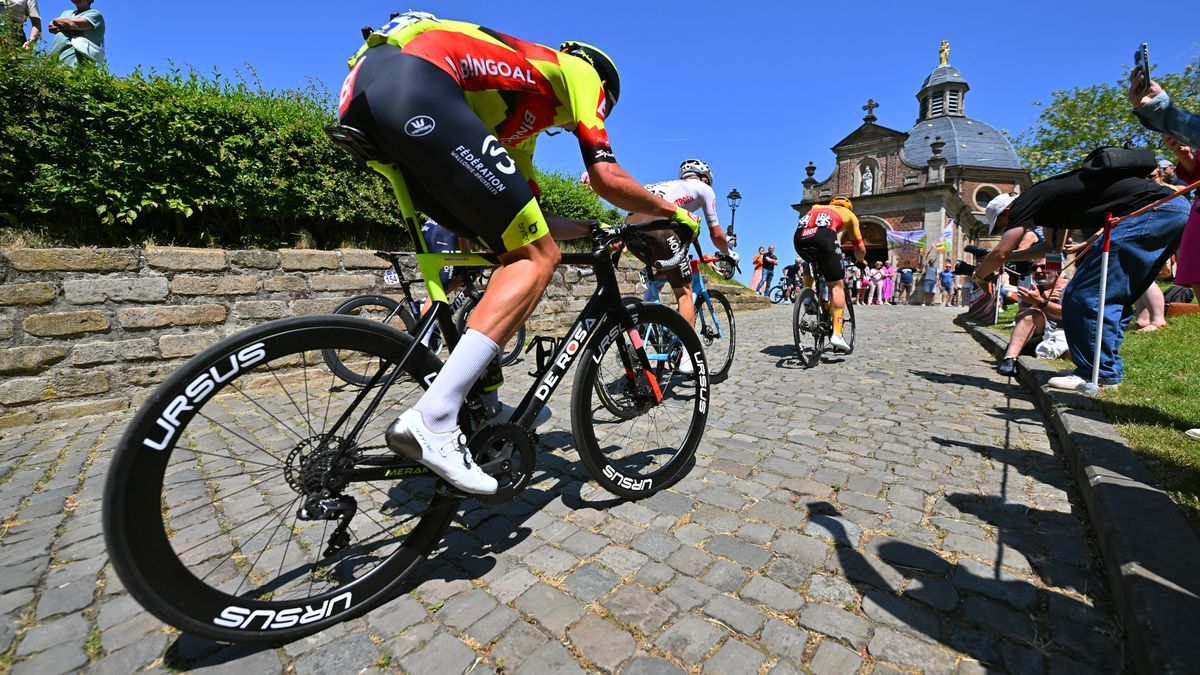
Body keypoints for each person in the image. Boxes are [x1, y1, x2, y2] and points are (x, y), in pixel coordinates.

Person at [336, 11, 702, 494]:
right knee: (537, 259)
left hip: (369, 93)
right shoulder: (580, 71)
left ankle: (482, 405)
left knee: (516, 252)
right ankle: (436, 415)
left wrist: (594, 227)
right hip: (417, 84)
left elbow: (529, 217)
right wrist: (673, 215)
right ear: (605, 95)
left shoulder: (516, 122)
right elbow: (605, 177)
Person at [971, 151, 1188, 395]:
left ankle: (1095, 373)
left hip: (1152, 212)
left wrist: (980, 275)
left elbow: (1000, 251)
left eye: (1002, 225)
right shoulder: (1047, 203)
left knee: (1084, 294)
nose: (1008, 229)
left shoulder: (1024, 203)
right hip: (1174, 207)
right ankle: (1104, 370)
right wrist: (1005, 258)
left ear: (1005, 213)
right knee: (1114, 296)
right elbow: (1050, 248)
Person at [625, 158, 731, 359]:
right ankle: (687, 357)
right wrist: (730, 252)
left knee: (663, 272)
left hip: (631, 228)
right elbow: (716, 235)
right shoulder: (703, 188)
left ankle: (642, 328)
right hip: (662, 228)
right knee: (684, 293)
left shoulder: (664, 185)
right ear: (705, 179)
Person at [794, 196, 866, 352]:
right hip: (824, 237)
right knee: (837, 286)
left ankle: (808, 296)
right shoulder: (850, 215)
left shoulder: (816, 207)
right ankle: (837, 334)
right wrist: (861, 260)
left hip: (799, 238)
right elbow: (859, 248)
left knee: (810, 261)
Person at [996, 259, 1070, 376]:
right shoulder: (1034, 290)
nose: (1038, 271)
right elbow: (1020, 318)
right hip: (1039, 334)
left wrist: (1042, 302)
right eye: (1034, 268)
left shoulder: (1071, 288)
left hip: (1066, 335)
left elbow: (1067, 315)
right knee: (1033, 313)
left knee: (1069, 353)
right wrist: (1037, 302)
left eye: (1044, 267)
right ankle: (1009, 359)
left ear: (1058, 270)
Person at [45, 0, 102, 66]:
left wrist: (57, 21)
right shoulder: (66, 13)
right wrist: (69, 26)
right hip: (54, 59)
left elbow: (72, 24)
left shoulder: (95, 14)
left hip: (76, 62)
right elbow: (51, 27)